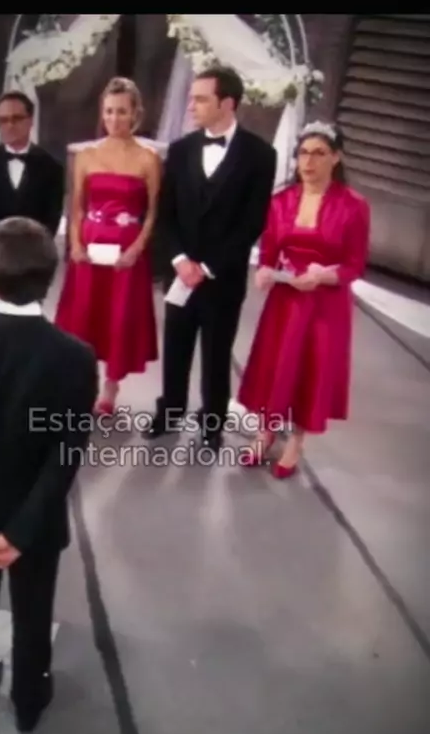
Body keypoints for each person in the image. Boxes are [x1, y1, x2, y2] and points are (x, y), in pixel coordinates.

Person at [0, 217, 97, 732]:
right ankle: (30, 696)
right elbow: (65, 455)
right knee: (34, 609)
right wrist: (19, 533)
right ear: (49, 278)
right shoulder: (74, 358)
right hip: (35, 522)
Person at [142, 65, 277, 452]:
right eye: (192, 98)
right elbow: (165, 213)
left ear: (227, 103)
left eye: (200, 99)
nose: (191, 106)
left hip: (223, 277)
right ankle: (169, 411)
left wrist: (208, 266)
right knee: (175, 347)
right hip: (180, 272)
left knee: (217, 353)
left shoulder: (260, 155)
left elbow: (252, 222)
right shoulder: (181, 150)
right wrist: (180, 260)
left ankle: (212, 422)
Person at [237, 121, 370, 477]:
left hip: (324, 305)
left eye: (319, 154)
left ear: (336, 157)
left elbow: (355, 265)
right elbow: (269, 251)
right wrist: (265, 270)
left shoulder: (354, 206)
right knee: (275, 366)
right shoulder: (281, 201)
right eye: (303, 153)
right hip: (285, 300)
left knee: (310, 369)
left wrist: (323, 276)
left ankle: (296, 441)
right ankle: (265, 432)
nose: (308, 162)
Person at [55, 77, 161, 414]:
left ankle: (111, 388)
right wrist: (74, 244)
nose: (114, 119)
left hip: (126, 253)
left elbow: (152, 214)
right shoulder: (86, 156)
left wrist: (136, 249)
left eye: (122, 112)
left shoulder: (148, 159)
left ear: (135, 114)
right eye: (109, 111)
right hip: (88, 248)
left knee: (119, 318)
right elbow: (76, 207)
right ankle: (81, 383)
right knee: (83, 317)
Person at [0, 91, 65, 310]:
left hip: (33, 266)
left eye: (16, 118)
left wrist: (29, 254)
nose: (9, 125)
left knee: (30, 322)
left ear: (30, 120)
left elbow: (51, 219)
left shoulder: (52, 168)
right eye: (3, 120)